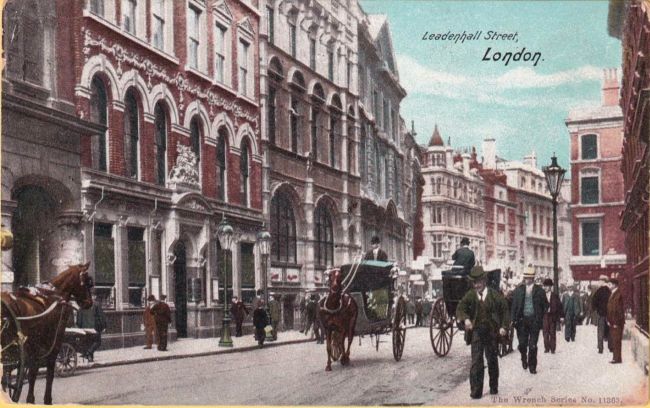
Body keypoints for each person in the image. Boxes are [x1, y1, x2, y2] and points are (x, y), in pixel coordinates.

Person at [456, 266, 509, 399]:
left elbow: (505, 310)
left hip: (491, 332)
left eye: (479, 281)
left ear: (484, 281)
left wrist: (503, 326)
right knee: (476, 362)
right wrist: (466, 318)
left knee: (492, 360)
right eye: (474, 282)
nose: (477, 285)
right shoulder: (471, 295)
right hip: (477, 332)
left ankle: (493, 387)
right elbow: (460, 307)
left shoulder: (494, 295)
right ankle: (476, 392)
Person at [511, 266, 548, 374]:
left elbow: (545, 305)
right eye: (526, 277)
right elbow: (514, 306)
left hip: (534, 321)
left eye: (529, 277)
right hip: (521, 321)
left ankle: (532, 366)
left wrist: (540, 316)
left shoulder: (540, 291)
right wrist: (513, 319)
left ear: (533, 278)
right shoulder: (518, 290)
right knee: (522, 344)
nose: (527, 279)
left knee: (533, 345)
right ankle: (523, 357)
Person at [76, 292, 106, 362]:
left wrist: (80, 326)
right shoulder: (96, 304)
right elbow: (101, 316)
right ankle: (88, 353)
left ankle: (90, 358)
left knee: (89, 342)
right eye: (94, 296)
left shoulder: (82, 305)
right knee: (98, 342)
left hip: (84, 328)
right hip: (94, 328)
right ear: (94, 296)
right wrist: (103, 326)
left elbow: (79, 317)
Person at [541, 279, 562, 354]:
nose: (545, 287)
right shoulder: (542, 295)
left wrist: (560, 317)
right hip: (545, 316)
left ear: (550, 287)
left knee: (552, 332)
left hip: (552, 316)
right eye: (545, 286)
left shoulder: (555, 295)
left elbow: (559, 306)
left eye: (547, 286)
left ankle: (553, 348)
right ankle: (546, 348)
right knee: (545, 332)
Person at [592, 275, 612, 354]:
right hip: (609, 314)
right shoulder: (609, 291)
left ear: (603, 281)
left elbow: (594, 302)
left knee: (600, 331)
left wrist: (596, 309)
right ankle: (611, 347)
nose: (599, 282)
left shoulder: (598, 291)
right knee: (610, 330)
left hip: (601, 314)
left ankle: (600, 348)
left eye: (600, 281)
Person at [607, 277, 624, 364]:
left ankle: (617, 359)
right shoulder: (613, 293)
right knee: (614, 340)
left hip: (616, 322)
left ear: (614, 285)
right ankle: (616, 357)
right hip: (612, 322)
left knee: (616, 340)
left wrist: (617, 322)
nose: (608, 286)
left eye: (609, 284)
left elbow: (619, 310)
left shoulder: (618, 295)